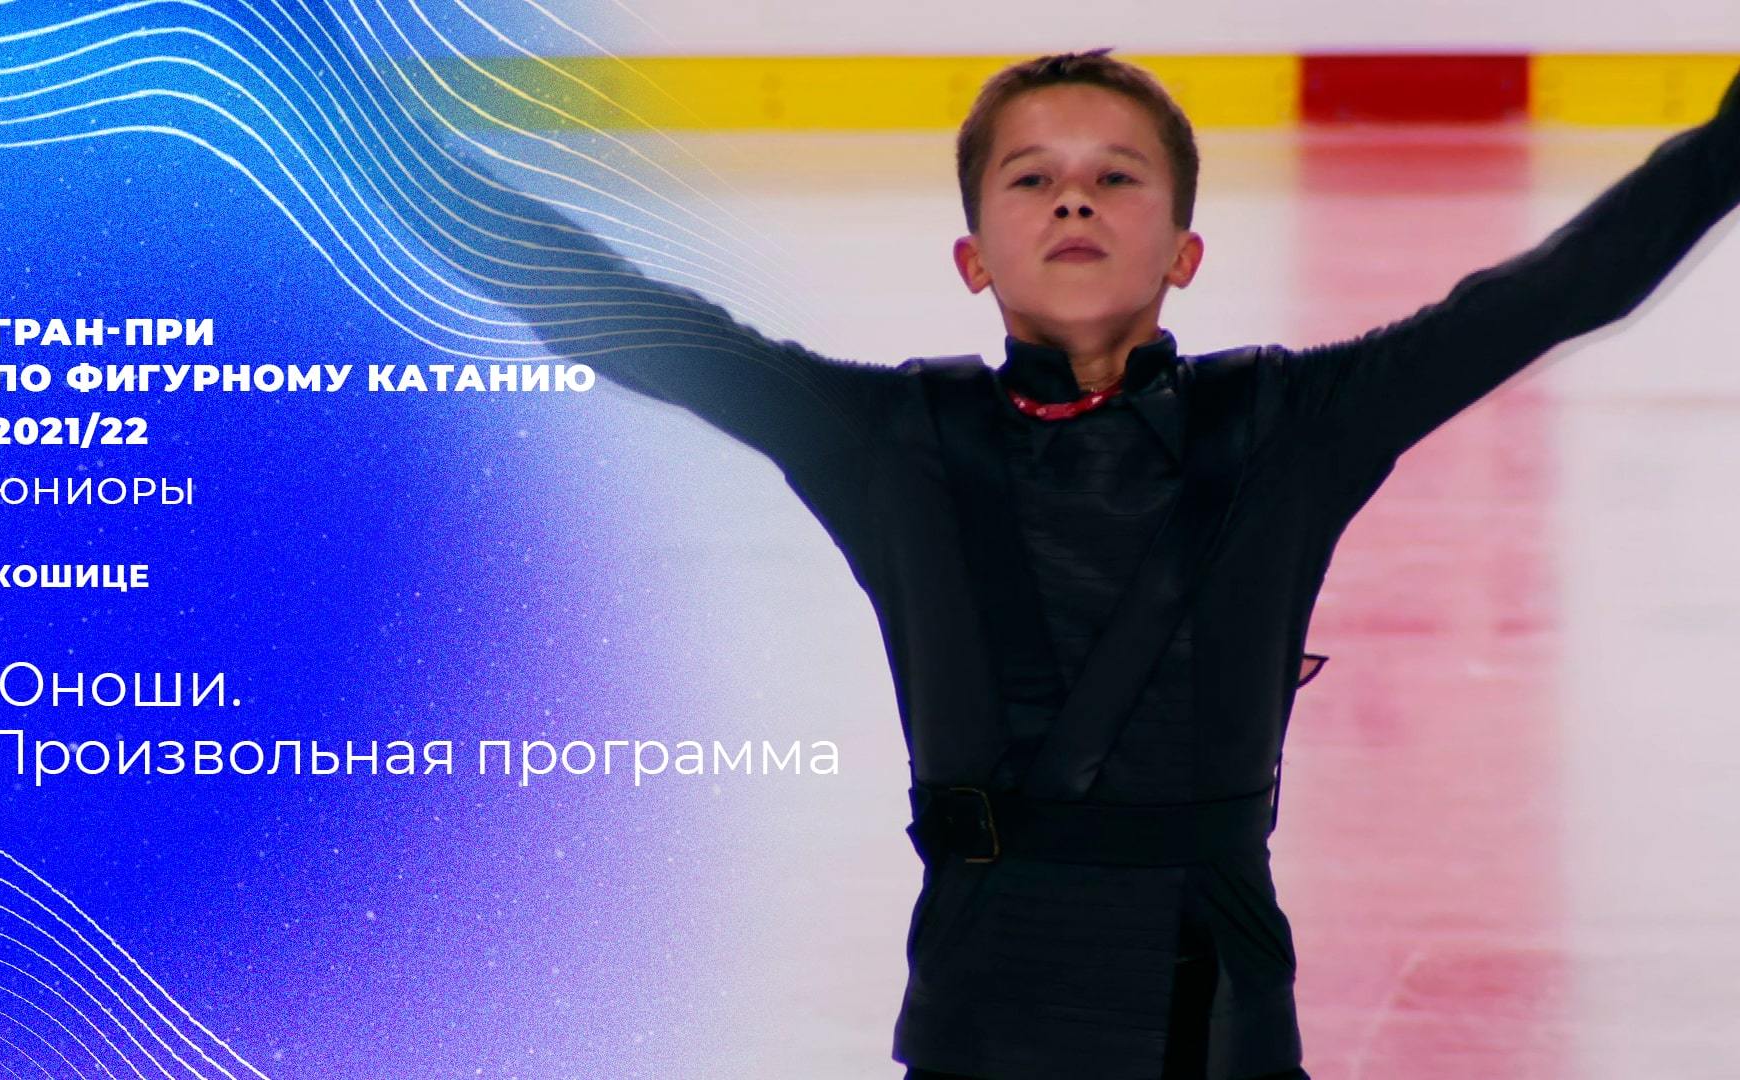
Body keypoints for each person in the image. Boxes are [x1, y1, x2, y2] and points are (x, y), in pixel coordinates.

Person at [475, 49, 1740, 1079]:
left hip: (1221, 1025)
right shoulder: (888, 441)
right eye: (1031, 179)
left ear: (1185, 250)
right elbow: (622, 316)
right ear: (972, 257)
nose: (1073, 201)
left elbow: (1554, 291)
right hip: (981, 1024)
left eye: (1116, 178)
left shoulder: (1291, 428)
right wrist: (392, 161)